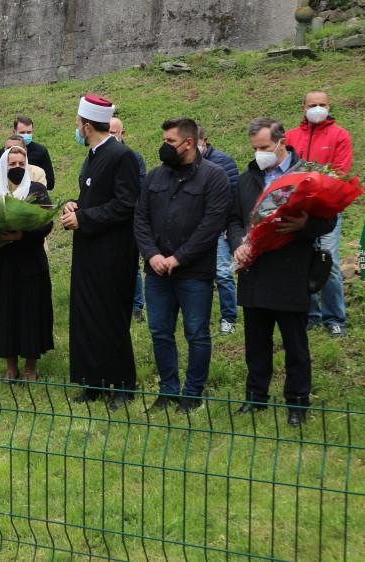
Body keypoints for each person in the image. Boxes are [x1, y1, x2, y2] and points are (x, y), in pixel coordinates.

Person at [228, 118, 336, 426]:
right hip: (254, 271)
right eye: (255, 148)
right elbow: (234, 218)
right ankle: (255, 397)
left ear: (281, 142)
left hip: (291, 271)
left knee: (295, 344)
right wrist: (238, 244)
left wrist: (305, 226)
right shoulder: (247, 178)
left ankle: (298, 403)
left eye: (264, 147)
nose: (259, 153)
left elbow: (328, 220)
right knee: (256, 343)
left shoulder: (306, 176)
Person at [135, 118, 231, 413]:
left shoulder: (214, 177)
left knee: (196, 332)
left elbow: (211, 225)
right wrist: (152, 255)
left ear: (189, 143)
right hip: (156, 271)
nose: (164, 146)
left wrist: (178, 258)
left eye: (170, 142)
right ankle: (168, 391)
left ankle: (192, 395)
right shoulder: (154, 177)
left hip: (194, 273)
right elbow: (140, 220)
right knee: (160, 331)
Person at [61, 95, 142, 409]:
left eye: (78, 124)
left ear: (86, 124)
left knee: (110, 319)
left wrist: (83, 218)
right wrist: (75, 204)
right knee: (86, 317)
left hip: (112, 255)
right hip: (88, 252)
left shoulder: (122, 155)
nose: (77, 129)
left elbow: (125, 204)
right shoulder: (94, 155)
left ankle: (122, 385)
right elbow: (95, 196)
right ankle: (92, 382)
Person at [0, 147, 54, 382]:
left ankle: (31, 367)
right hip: (4, 265)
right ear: (4, 167)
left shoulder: (38, 191)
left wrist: (21, 235)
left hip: (31, 262)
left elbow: (46, 224)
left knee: (31, 313)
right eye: (12, 164)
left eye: (21, 164)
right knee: (6, 314)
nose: (17, 168)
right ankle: (10, 367)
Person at [286, 90, 353, 337]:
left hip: (326, 212)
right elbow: (286, 170)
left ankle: (335, 318)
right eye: (312, 104)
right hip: (298, 211)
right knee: (303, 262)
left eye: (321, 104)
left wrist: (315, 187)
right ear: (303, 107)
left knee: (330, 262)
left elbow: (340, 172)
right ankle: (310, 315)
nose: (317, 108)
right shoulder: (291, 136)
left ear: (329, 105)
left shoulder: (339, 135)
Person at [198, 127, 241, 335]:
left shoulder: (223, 162)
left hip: (218, 228)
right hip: (195, 231)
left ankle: (229, 318)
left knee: (223, 273)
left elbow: (233, 197)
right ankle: (200, 317)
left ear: (204, 141)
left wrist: (225, 227)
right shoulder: (183, 164)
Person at [110, 117, 149, 322]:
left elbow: (141, 188)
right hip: (107, 220)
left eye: (114, 132)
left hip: (129, 218)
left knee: (132, 266)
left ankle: (136, 308)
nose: (111, 136)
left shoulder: (134, 157)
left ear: (122, 133)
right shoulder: (97, 156)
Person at [0, 116, 55, 190]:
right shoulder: (4, 151)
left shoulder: (41, 151)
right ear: (14, 132)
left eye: (29, 132)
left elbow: (50, 183)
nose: (26, 135)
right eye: (22, 132)